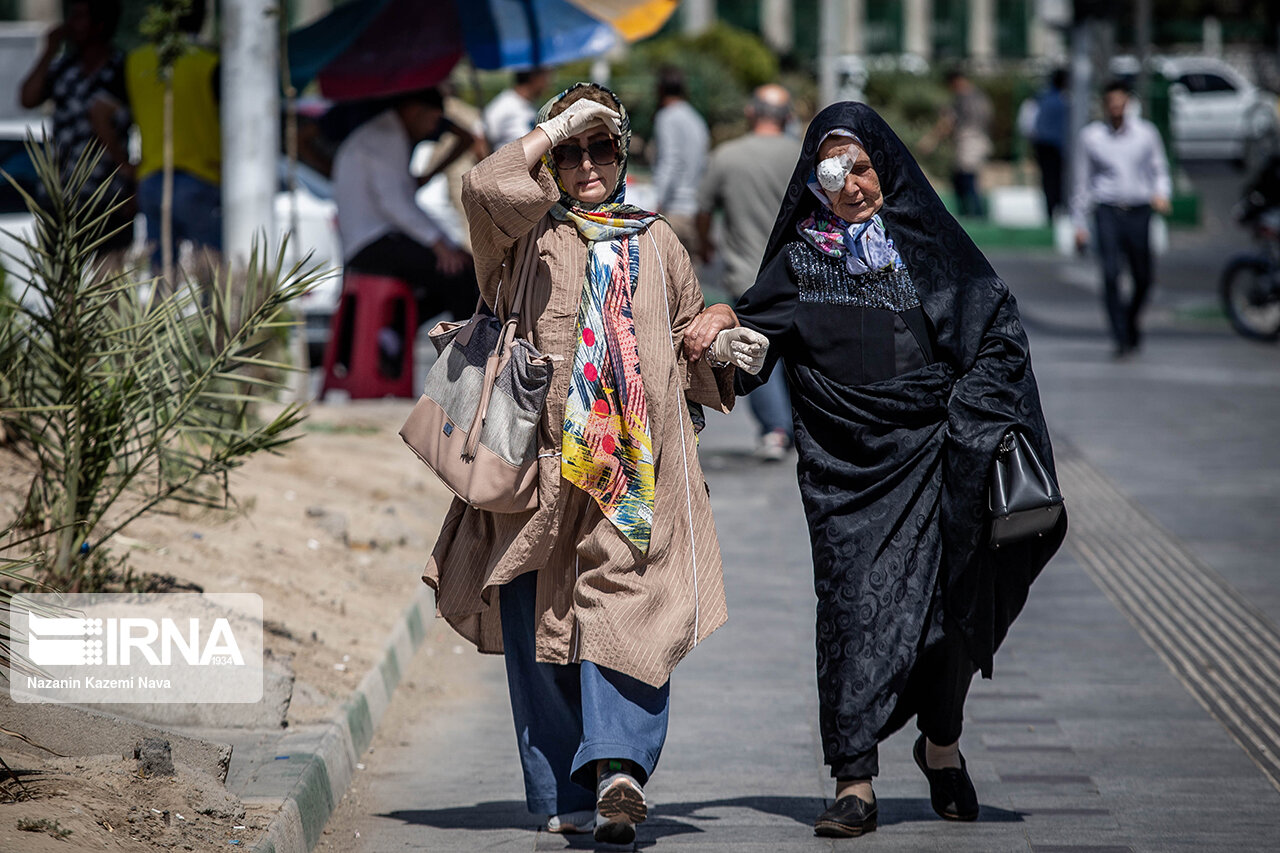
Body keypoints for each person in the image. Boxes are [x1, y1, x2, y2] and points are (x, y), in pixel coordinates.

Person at [683, 102, 1066, 838]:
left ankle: (941, 743)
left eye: (859, 166)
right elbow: (755, 335)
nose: (850, 183)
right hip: (844, 475)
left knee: (946, 620)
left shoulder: (933, 248)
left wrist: (967, 419)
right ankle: (853, 777)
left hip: (939, 466)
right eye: (832, 171)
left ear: (884, 166)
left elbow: (997, 337)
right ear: (813, 180)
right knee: (854, 614)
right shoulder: (801, 259)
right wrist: (725, 318)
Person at [424, 82, 765, 844]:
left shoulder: (658, 238)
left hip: (634, 470)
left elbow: (684, 330)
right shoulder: (521, 235)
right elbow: (482, 185)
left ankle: (618, 770)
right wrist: (549, 132)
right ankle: (563, 789)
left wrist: (719, 334)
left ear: (623, 152)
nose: (585, 163)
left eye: (600, 146)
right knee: (535, 616)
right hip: (536, 464)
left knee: (629, 611)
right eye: (571, 149)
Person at [697, 83, 799, 461]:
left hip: (748, 276)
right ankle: (795, 426)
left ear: (751, 113)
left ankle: (775, 429)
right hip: (798, 273)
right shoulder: (800, 155)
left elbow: (703, 210)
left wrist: (706, 244)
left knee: (754, 352)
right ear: (788, 116)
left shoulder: (727, 156)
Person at [330, 87, 477, 328]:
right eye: (432, 120)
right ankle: (470, 350)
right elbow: (395, 205)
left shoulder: (386, 134)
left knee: (459, 270)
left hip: (378, 240)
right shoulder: (385, 136)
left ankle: (392, 331)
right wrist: (441, 246)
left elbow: (402, 206)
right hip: (371, 245)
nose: (433, 129)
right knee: (460, 275)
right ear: (413, 111)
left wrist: (447, 245)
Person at [20, 0, 133, 265]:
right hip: (61, 196)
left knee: (110, 286)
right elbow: (27, 98)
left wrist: (129, 175)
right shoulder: (63, 68)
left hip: (108, 197)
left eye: (80, 17)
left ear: (100, 25)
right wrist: (49, 50)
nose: (71, 24)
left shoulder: (123, 69)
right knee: (62, 288)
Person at [1072, 80, 1172, 357]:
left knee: (1143, 277)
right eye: (1111, 103)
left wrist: (1161, 193)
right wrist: (1079, 224)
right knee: (1111, 273)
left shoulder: (1146, 134)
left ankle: (1130, 321)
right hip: (1107, 210)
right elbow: (1081, 182)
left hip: (1140, 211)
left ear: (1128, 102)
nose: (1116, 108)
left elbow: (1159, 169)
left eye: (1120, 102)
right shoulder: (1091, 137)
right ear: (1104, 105)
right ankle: (1120, 337)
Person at [125, 0, 220, 279]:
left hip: (152, 179)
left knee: (160, 274)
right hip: (202, 175)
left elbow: (102, 111)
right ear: (202, 19)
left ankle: (160, 324)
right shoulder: (210, 62)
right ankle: (212, 322)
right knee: (211, 273)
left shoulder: (136, 60)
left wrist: (124, 164)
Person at [651, 66, 709, 255]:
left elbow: (670, 161)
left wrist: (656, 201)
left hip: (674, 209)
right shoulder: (696, 118)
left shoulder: (667, 117)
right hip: (694, 209)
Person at [920, 69, 993, 218]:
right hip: (979, 141)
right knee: (965, 179)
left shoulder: (962, 99)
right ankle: (974, 214)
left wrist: (931, 140)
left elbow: (947, 122)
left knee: (966, 180)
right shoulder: (980, 97)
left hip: (969, 141)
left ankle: (974, 216)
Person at [1031, 69, 1070, 220]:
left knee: (1048, 180)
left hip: (1043, 145)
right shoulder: (1062, 101)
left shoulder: (1043, 98)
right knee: (1058, 180)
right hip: (1056, 146)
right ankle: (1057, 210)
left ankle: (1050, 210)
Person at [483, 67, 551, 151]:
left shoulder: (535, 107)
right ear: (533, 77)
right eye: (546, 76)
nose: (549, 82)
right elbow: (480, 136)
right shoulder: (505, 103)